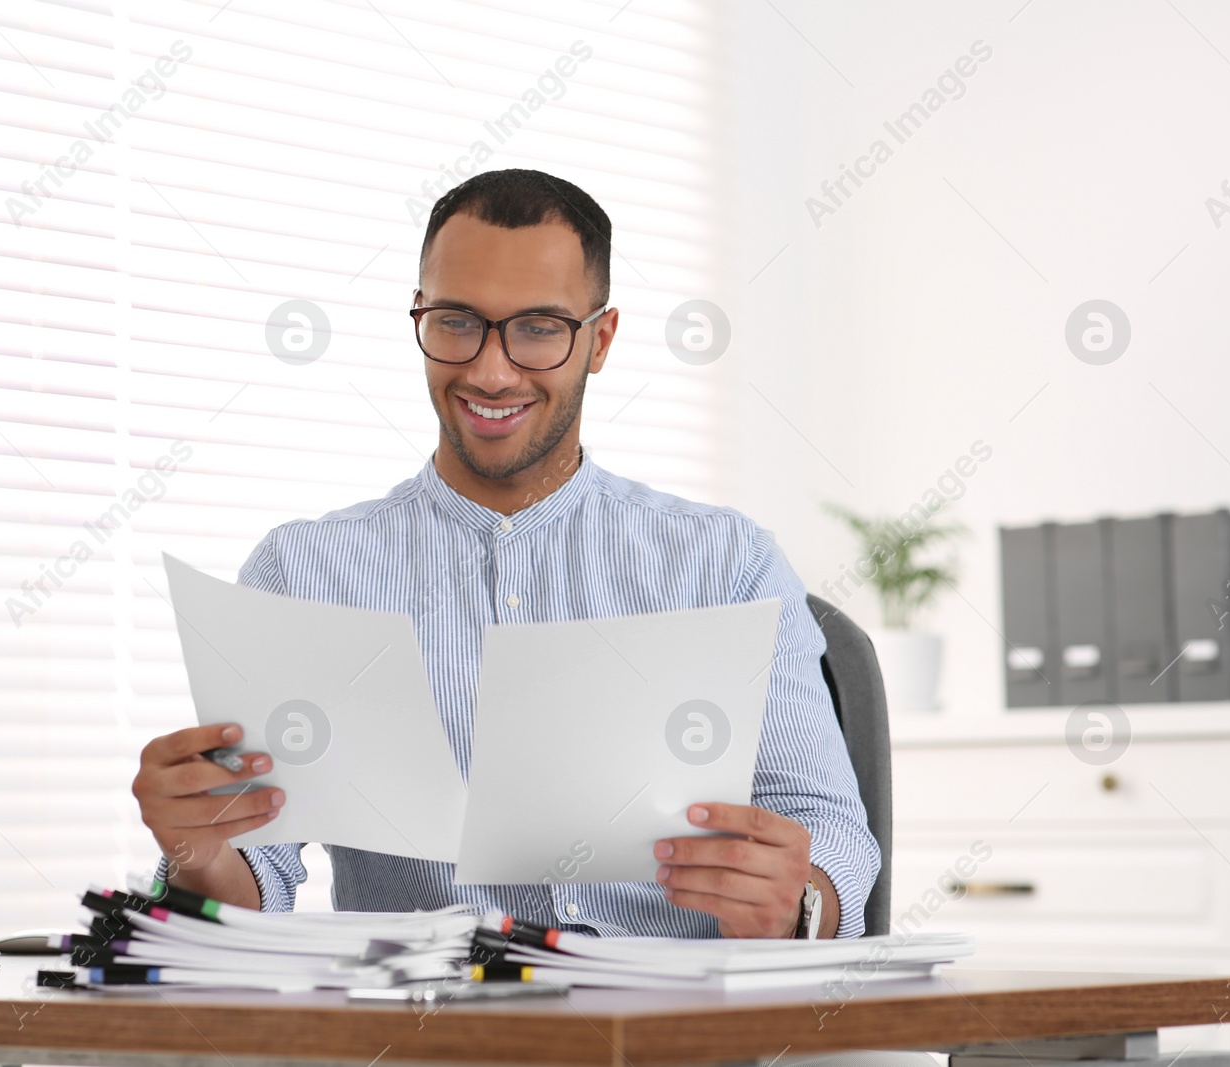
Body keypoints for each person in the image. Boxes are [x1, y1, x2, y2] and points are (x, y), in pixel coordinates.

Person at [133, 168, 879, 940]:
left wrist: (798, 900)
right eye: (457, 321)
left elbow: (826, 829)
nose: (491, 371)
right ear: (418, 315)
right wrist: (198, 848)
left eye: (539, 328)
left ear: (601, 339)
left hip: (683, 1043)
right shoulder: (304, 575)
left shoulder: (727, 565)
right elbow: (258, 879)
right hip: (432, 1043)